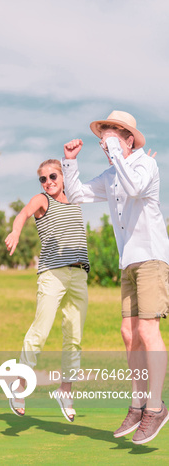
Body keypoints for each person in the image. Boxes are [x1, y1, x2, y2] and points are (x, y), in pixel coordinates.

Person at [62, 110, 169, 444]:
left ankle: (156, 407)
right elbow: (76, 195)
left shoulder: (144, 166)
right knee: (128, 332)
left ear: (129, 139)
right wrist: (69, 163)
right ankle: (137, 404)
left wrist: (117, 157)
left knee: (148, 331)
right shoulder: (112, 174)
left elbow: (135, 187)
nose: (105, 145)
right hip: (129, 263)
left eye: (111, 138)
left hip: (151, 259)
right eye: (102, 139)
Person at [4, 159, 89, 421]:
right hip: (53, 274)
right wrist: (16, 231)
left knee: (74, 336)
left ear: (63, 177)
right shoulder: (42, 200)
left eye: (53, 176)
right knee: (40, 332)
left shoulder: (75, 199)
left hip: (79, 274)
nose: (48, 182)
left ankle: (65, 390)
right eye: (43, 178)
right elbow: (23, 214)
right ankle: (19, 386)